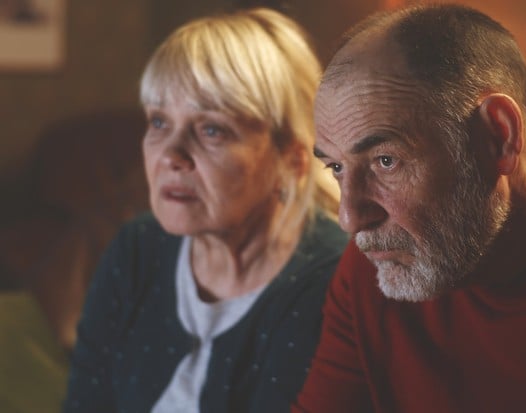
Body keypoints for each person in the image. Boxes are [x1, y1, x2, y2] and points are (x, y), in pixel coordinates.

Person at [294, 4, 526, 412]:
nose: (350, 218)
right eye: (337, 168)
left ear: (497, 137)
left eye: (386, 161)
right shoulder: (378, 263)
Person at [62, 7, 347, 413]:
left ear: (292, 161)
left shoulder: (335, 282)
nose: (171, 155)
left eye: (212, 129)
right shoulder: (137, 248)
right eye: (159, 122)